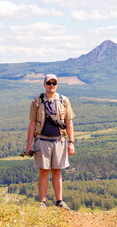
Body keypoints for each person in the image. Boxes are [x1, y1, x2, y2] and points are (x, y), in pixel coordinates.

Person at [25, 74, 76, 209]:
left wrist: (71, 142)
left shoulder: (64, 101)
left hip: (59, 141)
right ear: (44, 84)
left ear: (57, 85)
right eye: (49, 83)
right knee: (43, 171)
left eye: (54, 83)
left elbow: (69, 122)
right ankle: (43, 201)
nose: (51, 86)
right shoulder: (37, 102)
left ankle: (59, 201)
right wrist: (29, 145)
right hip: (42, 141)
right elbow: (32, 124)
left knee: (57, 171)